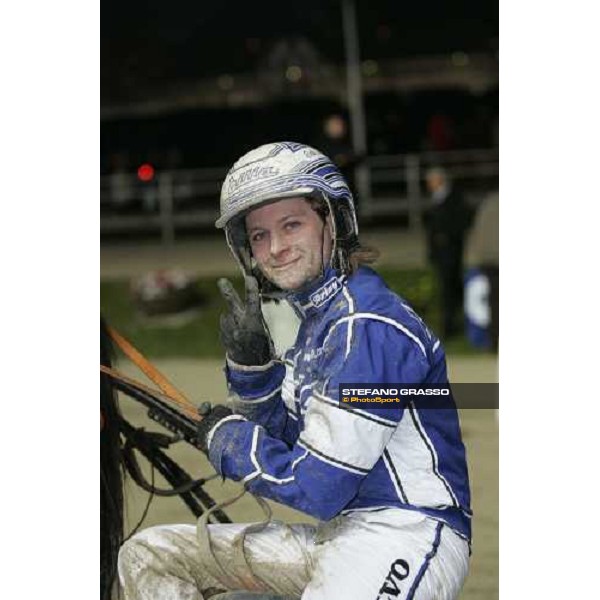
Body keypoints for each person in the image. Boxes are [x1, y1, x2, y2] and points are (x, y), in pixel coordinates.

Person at [118, 142, 472, 600]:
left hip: (406, 532)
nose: (276, 248)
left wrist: (228, 440)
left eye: (291, 225)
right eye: (260, 235)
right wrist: (254, 375)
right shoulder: (319, 326)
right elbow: (293, 441)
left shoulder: (368, 326)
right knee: (149, 557)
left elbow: (318, 485)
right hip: (343, 534)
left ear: (334, 221)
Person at [423, 167, 473, 339]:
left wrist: (447, 236)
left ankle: (452, 325)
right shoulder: (436, 199)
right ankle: (452, 323)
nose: (428, 185)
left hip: (451, 252)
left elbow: (463, 221)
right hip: (440, 253)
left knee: (451, 289)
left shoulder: (454, 198)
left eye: (431, 181)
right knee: (448, 289)